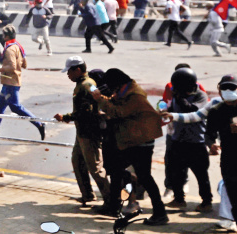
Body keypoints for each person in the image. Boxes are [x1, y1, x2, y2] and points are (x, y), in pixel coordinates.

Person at [92, 69, 168, 226]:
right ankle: (114, 206)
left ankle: (160, 213)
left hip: (142, 140)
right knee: (116, 170)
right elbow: (117, 105)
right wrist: (106, 99)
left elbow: (119, 112)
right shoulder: (126, 91)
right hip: (132, 139)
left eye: (112, 87)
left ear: (118, 84)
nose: (111, 91)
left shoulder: (135, 95)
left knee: (144, 176)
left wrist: (100, 100)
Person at [163, 74, 237, 231]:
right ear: (219, 90)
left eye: (232, 88)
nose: (228, 91)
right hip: (229, 156)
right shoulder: (216, 108)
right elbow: (201, 122)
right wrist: (212, 144)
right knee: (230, 187)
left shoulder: (201, 96)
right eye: (224, 88)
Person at [53, 56, 109, 206]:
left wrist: (66, 117)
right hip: (82, 132)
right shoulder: (83, 84)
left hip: (89, 132)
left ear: (78, 70)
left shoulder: (87, 85)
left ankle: (112, 200)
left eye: (69, 72)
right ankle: (87, 195)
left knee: (95, 168)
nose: (68, 75)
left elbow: (86, 111)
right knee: (78, 162)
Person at [161, 67, 212, 212]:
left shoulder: (200, 96)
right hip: (178, 139)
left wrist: (179, 98)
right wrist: (164, 110)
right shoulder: (176, 95)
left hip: (196, 142)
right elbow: (171, 111)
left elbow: (192, 111)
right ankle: (179, 199)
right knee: (176, 172)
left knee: (201, 174)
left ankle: (206, 201)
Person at [0, 25, 45, 140]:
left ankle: (39, 124)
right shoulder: (17, 46)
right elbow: (24, 64)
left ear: (6, 36)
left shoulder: (9, 49)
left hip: (11, 83)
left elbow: (12, 67)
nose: (2, 36)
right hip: (9, 83)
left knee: (16, 107)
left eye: (3, 35)